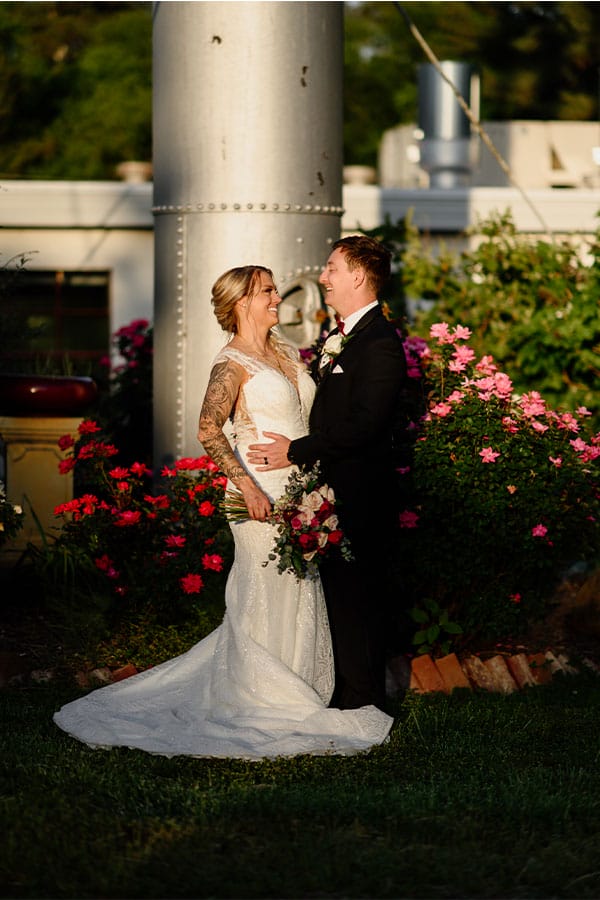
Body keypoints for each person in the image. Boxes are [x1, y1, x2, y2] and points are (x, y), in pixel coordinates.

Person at [53, 265, 393, 759]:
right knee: (264, 593)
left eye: (274, 289)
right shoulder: (231, 363)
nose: (278, 297)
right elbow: (209, 429)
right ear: (241, 302)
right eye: (267, 291)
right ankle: (260, 699)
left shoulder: (288, 352)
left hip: (302, 495)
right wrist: (247, 488)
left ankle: (300, 690)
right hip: (257, 496)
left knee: (301, 595)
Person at [247, 237, 408, 712]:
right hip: (333, 490)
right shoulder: (346, 338)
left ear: (359, 276)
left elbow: (364, 425)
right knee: (339, 597)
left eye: (332, 269)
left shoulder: (379, 344)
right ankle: (345, 694)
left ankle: (365, 704)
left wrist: (295, 452)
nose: (323, 278)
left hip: (360, 494)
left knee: (359, 600)